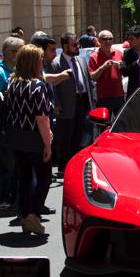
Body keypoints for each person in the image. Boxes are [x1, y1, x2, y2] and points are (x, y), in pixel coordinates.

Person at [6, 45, 54, 235]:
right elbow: (42, 118)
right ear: (33, 62)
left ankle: (25, 213)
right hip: (35, 138)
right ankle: (33, 213)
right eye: (40, 59)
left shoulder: (12, 83)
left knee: (24, 177)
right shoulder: (37, 85)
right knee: (44, 177)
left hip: (16, 136)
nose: (42, 62)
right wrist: (48, 144)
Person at [48, 32, 93, 176]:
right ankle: (63, 167)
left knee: (79, 135)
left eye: (77, 44)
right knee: (65, 137)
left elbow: (87, 80)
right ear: (65, 45)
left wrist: (92, 97)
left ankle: (75, 164)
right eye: (74, 45)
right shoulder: (56, 63)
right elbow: (52, 86)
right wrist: (56, 103)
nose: (77, 47)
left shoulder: (81, 60)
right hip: (66, 104)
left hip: (82, 101)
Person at [0, 36, 22, 210]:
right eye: (19, 52)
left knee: (15, 163)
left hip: (14, 125)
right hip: (2, 125)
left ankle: (15, 197)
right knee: (7, 163)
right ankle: (3, 199)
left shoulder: (16, 70)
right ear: (9, 53)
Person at [89, 29, 125, 116]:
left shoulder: (119, 53)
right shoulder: (94, 56)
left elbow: (124, 71)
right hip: (103, 97)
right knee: (103, 126)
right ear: (99, 41)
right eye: (104, 39)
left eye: (110, 39)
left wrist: (122, 66)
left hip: (119, 95)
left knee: (120, 126)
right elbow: (92, 77)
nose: (108, 41)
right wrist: (103, 66)